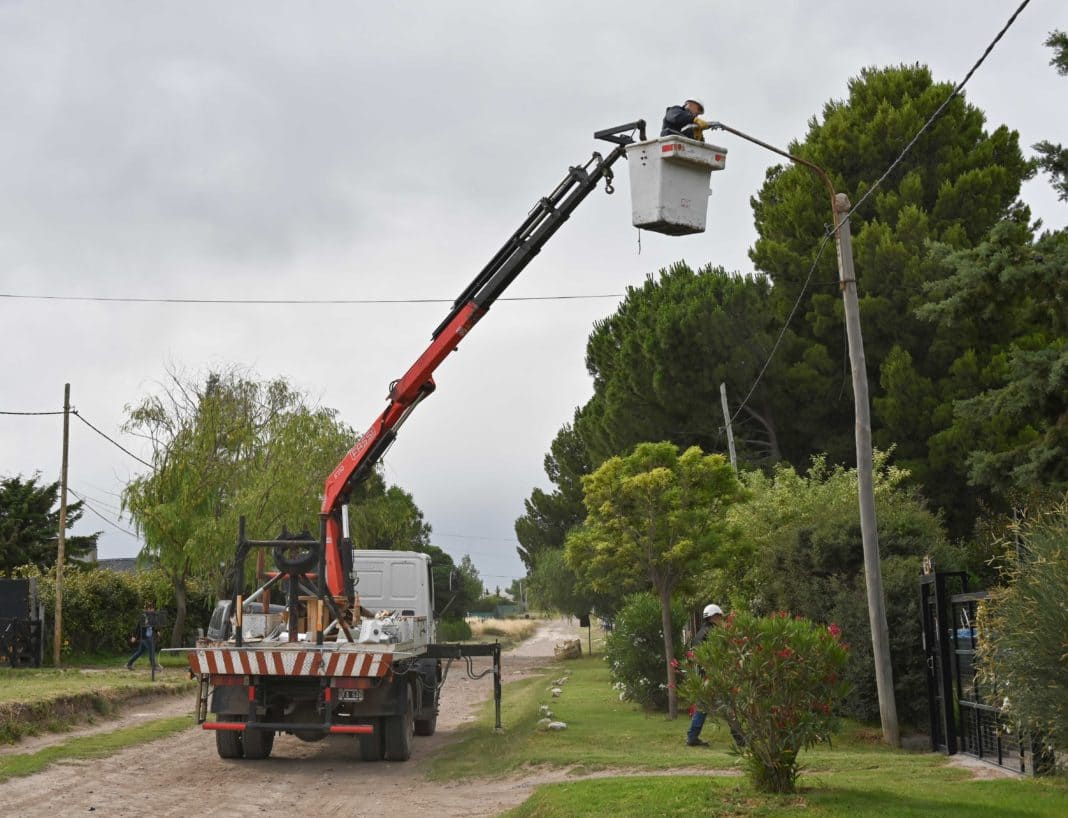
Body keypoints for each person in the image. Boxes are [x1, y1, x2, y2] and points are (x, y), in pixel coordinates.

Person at [685, 602, 744, 748]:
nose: (721, 620)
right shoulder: (714, 633)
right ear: (714, 616)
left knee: (702, 706)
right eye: (720, 617)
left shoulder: (699, 634)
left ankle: (692, 737)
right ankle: (740, 739)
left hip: (700, 676)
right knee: (729, 706)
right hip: (713, 676)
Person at [125, 603, 162, 671]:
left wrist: (157, 632)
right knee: (152, 651)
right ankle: (154, 667)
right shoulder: (143, 616)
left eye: (153, 608)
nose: (152, 610)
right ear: (147, 609)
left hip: (148, 637)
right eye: (150, 608)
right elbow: (138, 627)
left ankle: (129, 664)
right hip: (145, 637)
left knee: (140, 652)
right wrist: (134, 636)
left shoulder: (152, 617)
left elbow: (152, 627)